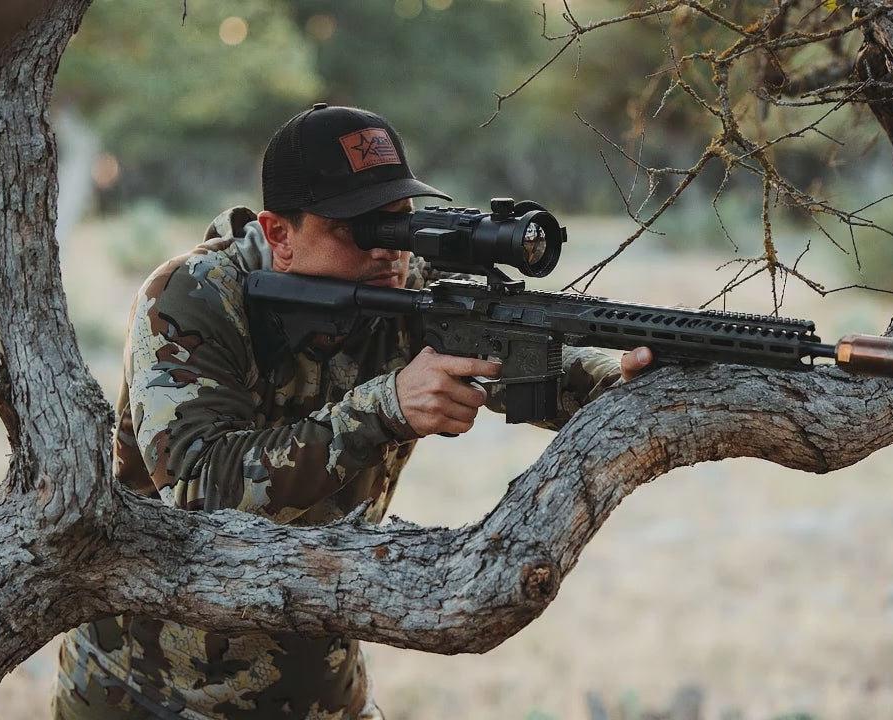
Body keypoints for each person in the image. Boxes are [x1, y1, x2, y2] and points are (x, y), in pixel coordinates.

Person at [52, 103, 652, 720]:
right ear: (279, 235)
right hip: (149, 690)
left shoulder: (410, 293)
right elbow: (201, 491)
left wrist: (619, 376)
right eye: (360, 228)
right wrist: (383, 408)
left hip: (320, 686)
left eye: (400, 221)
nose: (390, 249)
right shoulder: (193, 296)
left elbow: (529, 362)